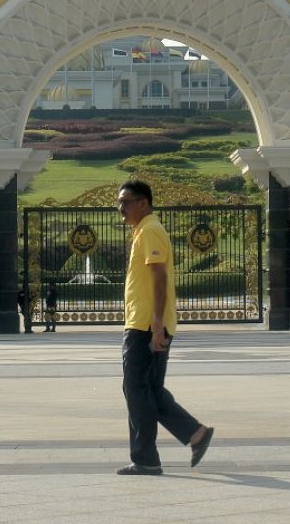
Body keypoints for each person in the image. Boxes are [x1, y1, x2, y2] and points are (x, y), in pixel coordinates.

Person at [115, 179, 213, 476]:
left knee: (136, 389)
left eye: (125, 202)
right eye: (118, 203)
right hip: (147, 322)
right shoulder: (145, 230)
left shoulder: (150, 230)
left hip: (146, 325)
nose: (121, 209)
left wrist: (156, 324)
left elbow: (159, 277)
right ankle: (196, 434)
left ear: (143, 202)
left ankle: (146, 458)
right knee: (148, 390)